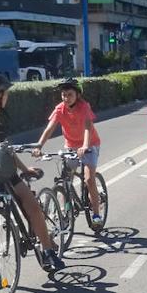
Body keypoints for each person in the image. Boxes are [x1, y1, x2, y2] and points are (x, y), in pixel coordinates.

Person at [0, 72, 65, 283]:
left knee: (32, 205)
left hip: (5, 171)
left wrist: (25, 169)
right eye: (5, 92)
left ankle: (47, 251)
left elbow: (6, 148)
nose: (7, 96)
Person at [33, 78, 103, 223]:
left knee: (89, 179)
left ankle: (96, 214)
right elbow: (49, 128)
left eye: (69, 94)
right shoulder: (60, 109)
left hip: (89, 145)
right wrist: (39, 146)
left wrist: (84, 146)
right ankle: (65, 212)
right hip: (71, 146)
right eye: (63, 95)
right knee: (66, 179)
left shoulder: (84, 107)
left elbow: (87, 127)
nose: (66, 98)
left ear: (77, 95)